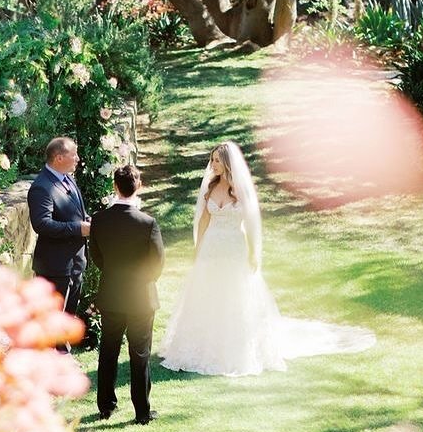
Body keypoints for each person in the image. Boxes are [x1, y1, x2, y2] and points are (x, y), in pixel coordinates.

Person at [159, 141, 375, 376]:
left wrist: (253, 253)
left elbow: (251, 225)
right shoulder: (210, 187)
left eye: (217, 160)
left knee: (233, 294)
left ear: (228, 164)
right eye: (212, 160)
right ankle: (200, 344)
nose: (212, 164)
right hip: (212, 246)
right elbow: (202, 221)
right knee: (207, 293)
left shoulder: (240, 190)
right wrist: (198, 249)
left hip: (233, 247)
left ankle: (236, 346)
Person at [89, 165, 165, 424]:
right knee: (140, 353)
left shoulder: (99, 220)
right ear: (139, 186)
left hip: (111, 295)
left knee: (108, 351)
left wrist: (113, 275)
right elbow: (157, 263)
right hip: (141, 298)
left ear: (115, 186)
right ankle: (142, 412)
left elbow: (96, 256)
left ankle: (106, 406)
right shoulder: (147, 223)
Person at [28, 137, 91, 352]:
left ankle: (63, 358)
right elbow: (42, 224)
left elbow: (75, 213)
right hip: (55, 267)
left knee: (67, 319)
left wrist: (89, 222)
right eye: (74, 155)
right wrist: (78, 229)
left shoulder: (67, 179)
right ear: (59, 157)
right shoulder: (41, 187)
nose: (77, 159)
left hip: (75, 263)